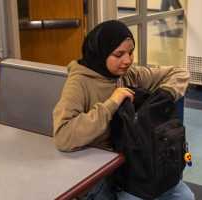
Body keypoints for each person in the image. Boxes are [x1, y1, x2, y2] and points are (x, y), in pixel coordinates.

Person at [53, 20, 194, 200]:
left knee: (185, 196)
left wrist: (164, 95)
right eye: (118, 54)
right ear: (101, 52)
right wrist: (112, 103)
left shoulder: (127, 75)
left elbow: (180, 73)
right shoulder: (79, 83)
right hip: (101, 173)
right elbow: (64, 136)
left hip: (133, 162)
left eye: (130, 52)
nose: (127, 60)